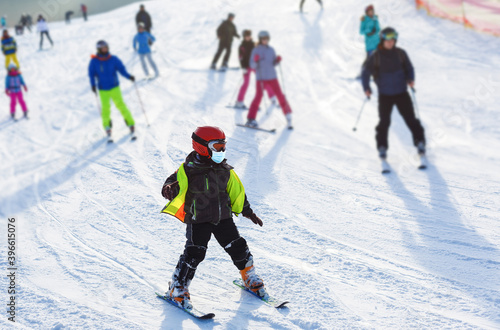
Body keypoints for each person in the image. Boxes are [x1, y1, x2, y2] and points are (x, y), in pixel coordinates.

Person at [160, 126, 267, 309]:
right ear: (202, 146)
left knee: (237, 246)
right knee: (195, 253)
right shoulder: (188, 169)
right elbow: (172, 181)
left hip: (223, 218)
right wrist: (169, 188)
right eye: (217, 146)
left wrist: (247, 211)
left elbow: (236, 193)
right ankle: (177, 288)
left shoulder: (225, 170)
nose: (221, 151)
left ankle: (248, 276)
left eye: (223, 146)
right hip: (198, 219)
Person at [361, 27, 426, 159]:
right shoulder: (376, 56)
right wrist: (366, 88)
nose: (390, 42)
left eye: (393, 39)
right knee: (384, 122)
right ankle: (382, 147)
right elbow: (365, 73)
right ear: (382, 40)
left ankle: (420, 142)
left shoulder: (400, 53)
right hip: (385, 95)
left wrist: (410, 79)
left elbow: (409, 67)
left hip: (402, 93)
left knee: (411, 119)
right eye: (388, 40)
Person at [88, 40, 136, 140]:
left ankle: (130, 123)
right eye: (103, 48)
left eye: (106, 47)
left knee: (121, 105)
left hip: (114, 87)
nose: (105, 49)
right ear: (99, 49)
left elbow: (121, 69)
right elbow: (91, 74)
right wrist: (93, 85)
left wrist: (129, 76)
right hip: (103, 89)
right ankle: (107, 126)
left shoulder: (113, 59)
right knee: (105, 109)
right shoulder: (94, 61)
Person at [246, 31, 293, 129]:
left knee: (280, 95)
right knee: (258, 96)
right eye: (263, 39)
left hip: (272, 77)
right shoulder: (256, 50)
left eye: (266, 38)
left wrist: (277, 60)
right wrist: (255, 60)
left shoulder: (271, 50)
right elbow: (252, 65)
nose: (265, 40)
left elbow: (273, 64)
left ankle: (288, 115)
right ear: (260, 39)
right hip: (261, 78)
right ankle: (251, 118)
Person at [234, 30, 276, 109]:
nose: (248, 37)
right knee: (246, 84)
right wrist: (243, 67)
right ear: (244, 36)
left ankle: (272, 97)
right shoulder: (241, 46)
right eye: (246, 36)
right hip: (246, 67)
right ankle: (239, 101)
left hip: (254, 66)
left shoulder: (254, 44)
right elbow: (240, 58)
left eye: (249, 35)